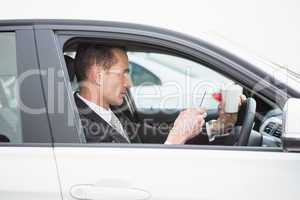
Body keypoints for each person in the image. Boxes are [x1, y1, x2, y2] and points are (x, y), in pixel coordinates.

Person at [73, 44, 239, 144]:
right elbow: (130, 180)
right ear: (98, 76)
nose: (130, 83)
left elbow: (155, 134)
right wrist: (176, 138)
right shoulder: (80, 127)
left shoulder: (112, 114)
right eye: (123, 73)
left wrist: (221, 125)